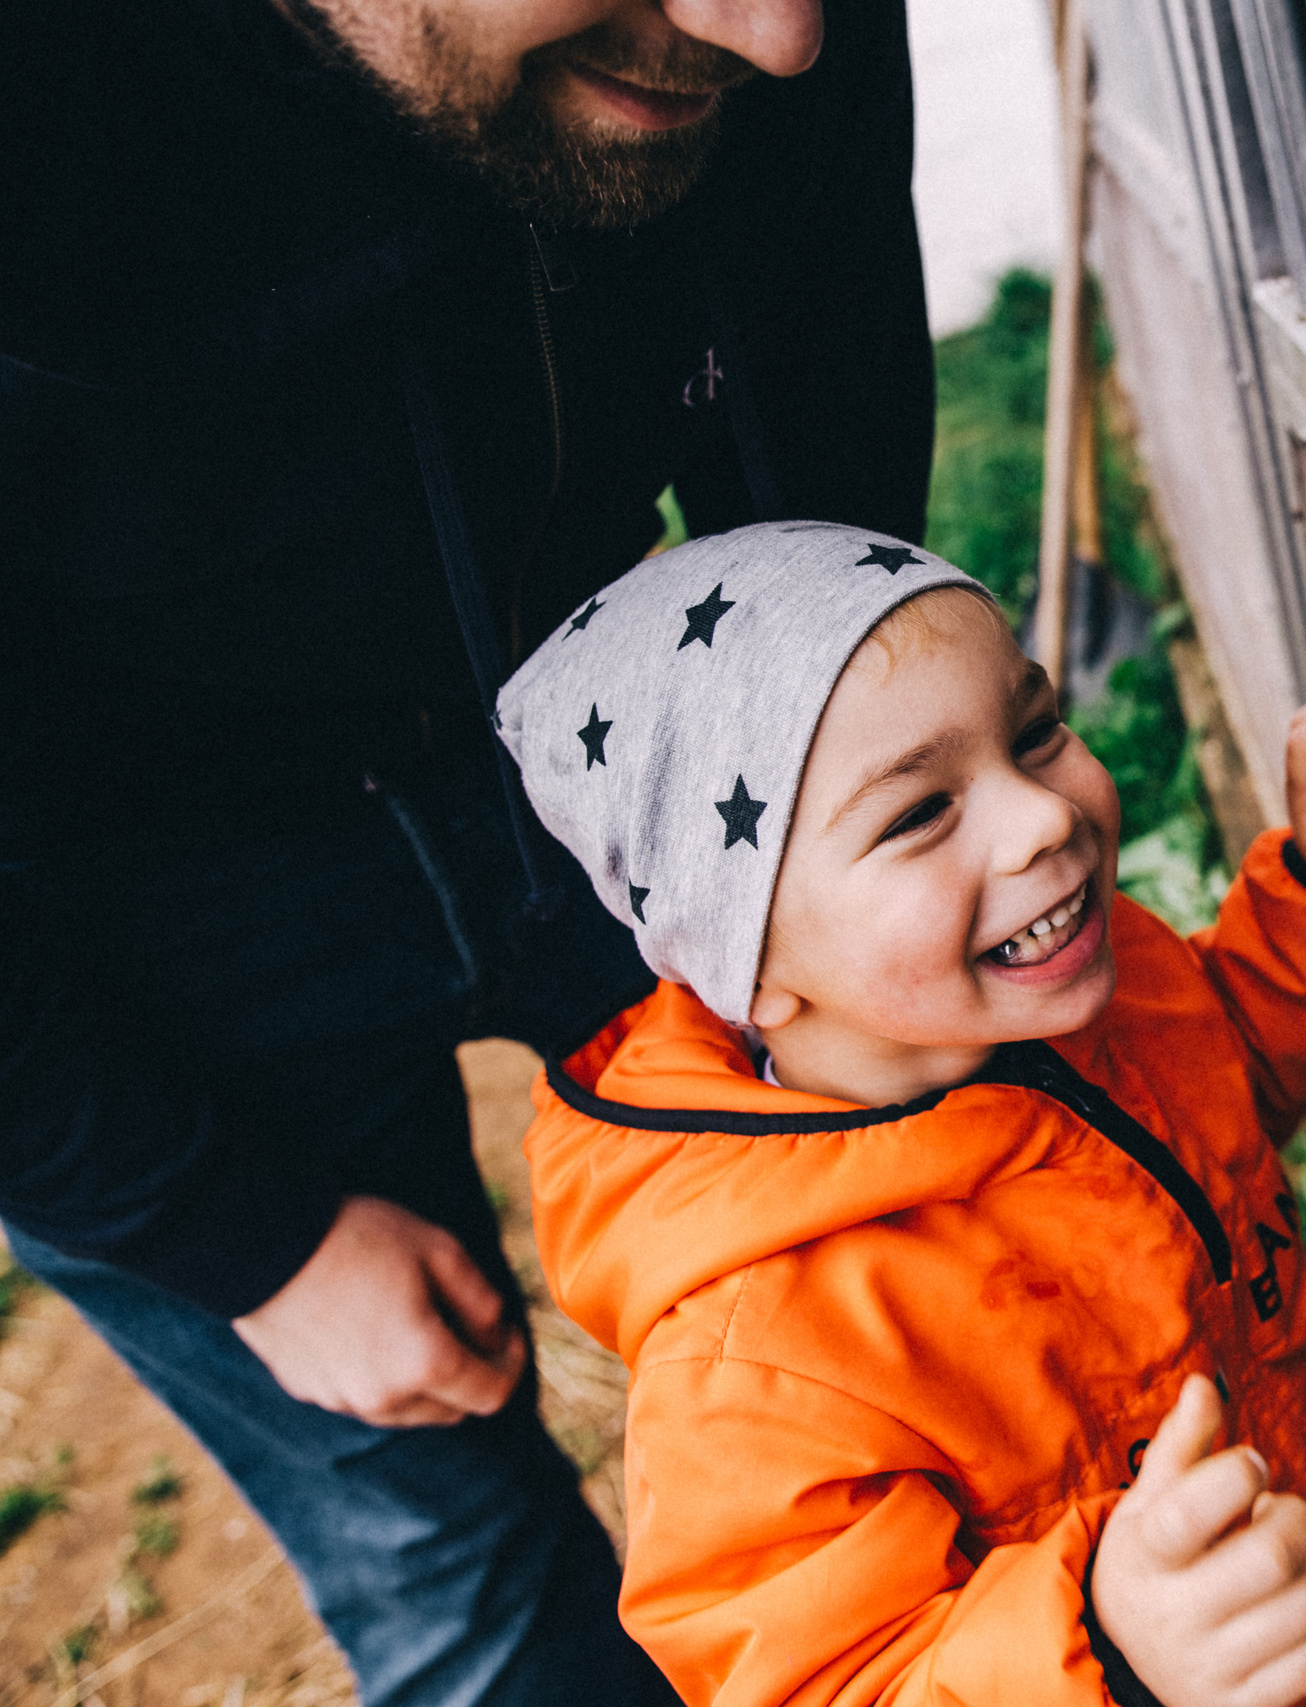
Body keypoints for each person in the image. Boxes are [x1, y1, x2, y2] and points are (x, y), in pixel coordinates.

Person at [0, 1, 931, 1699]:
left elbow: (826, 407)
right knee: (462, 1581)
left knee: (940, 1305)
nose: (787, 39)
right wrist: (241, 1234)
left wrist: (867, 823)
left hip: (600, 742)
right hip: (124, 917)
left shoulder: (764, 31)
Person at [492, 520, 1306, 1707]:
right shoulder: (762, 1360)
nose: (1040, 817)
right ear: (751, 967)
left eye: (1033, 733)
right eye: (918, 813)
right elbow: (830, 1685)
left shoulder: (1076, 995)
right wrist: (1105, 1650)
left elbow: (1222, 1076)